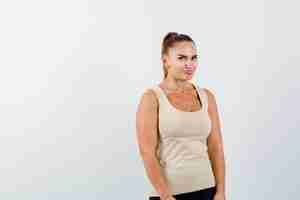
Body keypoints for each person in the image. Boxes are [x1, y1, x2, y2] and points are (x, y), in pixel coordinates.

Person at [136, 32, 226, 200]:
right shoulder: (152, 98)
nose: (189, 64)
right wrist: (165, 196)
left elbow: (216, 148)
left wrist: (220, 192)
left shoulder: (207, 96)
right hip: (170, 194)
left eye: (193, 58)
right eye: (182, 58)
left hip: (207, 190)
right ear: (165, 61)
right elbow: (147, 152)